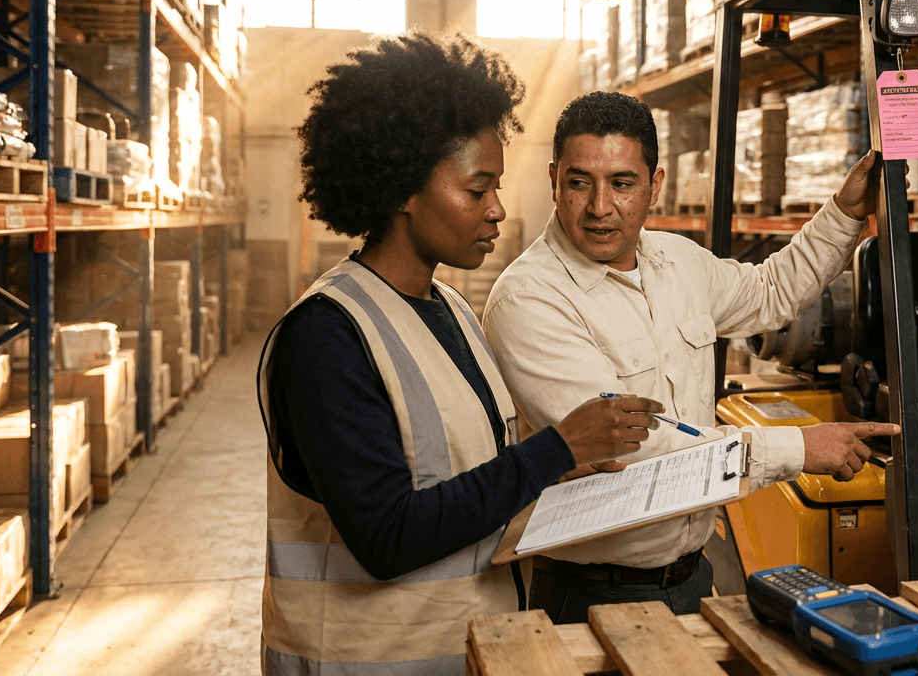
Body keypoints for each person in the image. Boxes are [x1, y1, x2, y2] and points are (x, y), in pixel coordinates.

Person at [256, 36, 663, 675]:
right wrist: (555, 450)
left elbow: (468, 476)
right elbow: (386, 536)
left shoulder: (452, 310)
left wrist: (555, 475)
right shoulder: (326, 336)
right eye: (477, 190)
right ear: (402, 190)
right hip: (366, 665)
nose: (498, 209)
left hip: (469, 651)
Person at [482, 91, 900, 624]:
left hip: (692, 577)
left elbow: (770, 291)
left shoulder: (676, 261)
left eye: (622, 184)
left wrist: (845, 212)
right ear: (554, 181)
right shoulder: (530, 299)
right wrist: (796, 447)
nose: (600, 207)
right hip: (591, 591)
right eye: (580, 182)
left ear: (655, 185)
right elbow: (635, 450)